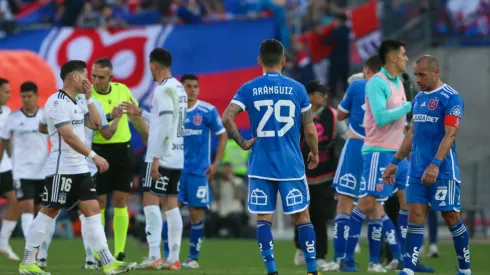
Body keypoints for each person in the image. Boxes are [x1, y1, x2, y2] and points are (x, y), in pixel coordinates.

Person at [18, 60, 137, 275]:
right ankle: (28, 261)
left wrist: (90, 98)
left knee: (92, 212)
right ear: (74, 77)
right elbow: (68, 137)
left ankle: (107, 262)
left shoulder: (78, 101)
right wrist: (94, 155)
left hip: (80, 169)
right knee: (48, 212)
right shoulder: (57, 102)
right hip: (61, 169)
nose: (88, 80)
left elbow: (96, 123)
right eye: (85, 75)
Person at [221, 39, 320, 275]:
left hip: (261, 164)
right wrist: (314, 152)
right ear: (283, 61)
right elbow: (309, 129)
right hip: (291, 164)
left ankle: (272, 270)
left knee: (264, 218)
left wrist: (243, 142)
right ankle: (313, 270)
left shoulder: (248, 88)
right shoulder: (297, 89)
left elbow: (226, 118)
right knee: (302, 215)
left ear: (259, 61)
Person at [383, 55, 471, 275]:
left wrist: (435, 165)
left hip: (443, 171)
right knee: (415, 217)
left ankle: (464, 269)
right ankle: (409, 270)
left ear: (435, 72)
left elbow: (450, 134)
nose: (418, 79)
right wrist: (395, 161)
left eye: (422, 74)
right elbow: (412, 133)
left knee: (450, 217)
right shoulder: (419, 99)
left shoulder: (451, 98)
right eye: (415, 75)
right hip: (416, 171)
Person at [341, 39, 412, 273]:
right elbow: (381, 118)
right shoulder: (375, 83)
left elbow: (400, 122)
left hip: (397, 154)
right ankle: (347, 258)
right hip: (377, 153)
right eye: (403, 54)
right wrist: (408, 106)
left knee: (408, 204)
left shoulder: (398, 83)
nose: (406, 58)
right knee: (367, 203)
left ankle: (403, 258)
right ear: (392, 58)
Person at [124, 48, 187, 270]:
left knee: (150, 202)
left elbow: (166, 125)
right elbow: (164, 120)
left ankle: (154, 255)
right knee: (171, 205)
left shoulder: (162, 90)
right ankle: (174, 259)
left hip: (161, 155)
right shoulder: (178, 88)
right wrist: (139, 112)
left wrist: (157, 157)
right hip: (177, 155)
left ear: (154, 66)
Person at [321, 55, 382, 272]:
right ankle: (375, 262)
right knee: (375, 205)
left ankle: (340, 258)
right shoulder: (392, 90)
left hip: (356, 147)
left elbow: (340, 115)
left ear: (366, 70)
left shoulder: (357, 86)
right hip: (379, 150)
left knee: (345, 202)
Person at [90, 57, 147, 261]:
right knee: (101, 202)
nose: (96, 81)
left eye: (101, 77)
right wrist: (110, 115)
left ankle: (120, 251)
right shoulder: (87, 97)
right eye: (93, 76)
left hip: (124, 150)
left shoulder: (122, 90)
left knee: (121, 200)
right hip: (99, 151)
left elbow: (135, 116)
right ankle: (100, 251)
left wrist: (149, 140)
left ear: (110, 77)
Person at [175, 74, 227, 268]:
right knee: (171, 211)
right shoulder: (174, 111)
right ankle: (166, 256)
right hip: (176, 171)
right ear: (181, 89)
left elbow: (222, 135)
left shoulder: (207, 111)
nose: (192, 90)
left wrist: (216, 164)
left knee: (195, 212)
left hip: (198, 172)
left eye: (195, 86)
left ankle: (193, 258)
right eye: (188, 86)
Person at [293, 80, 345, 270]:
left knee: (320, 216)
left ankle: (320, 254)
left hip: (325, 173)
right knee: (300, 214)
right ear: (311, 96)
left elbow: (344, 138)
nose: (325, 97)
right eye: (321, 93)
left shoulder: (332, 115)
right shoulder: (297, 116)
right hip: (301, 175)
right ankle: (300, 248)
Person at [0, 82, 52, 265]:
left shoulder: (46, 116)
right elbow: (3, 143)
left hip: (43, 172)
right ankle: (31, 254)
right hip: (21, 172)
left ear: (37, 96)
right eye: (24, 96)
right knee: (27, 207)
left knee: (41, 212)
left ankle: (39, 252)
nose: (27, 99)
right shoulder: (12, 118)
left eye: (30, 96)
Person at [0, 77, 18, 261]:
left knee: (16, 202)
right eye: (6, 91)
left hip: (5, 167)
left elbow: (8, 140)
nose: (9, 95)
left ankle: (3, 242)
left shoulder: (7, 112)